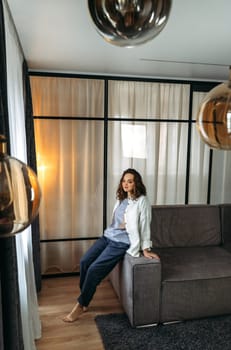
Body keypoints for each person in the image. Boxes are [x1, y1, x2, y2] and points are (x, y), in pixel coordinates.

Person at [63, 168, 159, 323]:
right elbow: (115, 222)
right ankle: (85, 296)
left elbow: (145, 224)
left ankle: (81, 305)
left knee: (95, 270)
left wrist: (146, 248)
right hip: (107, 237)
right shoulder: (121, 199)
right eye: (124, 181)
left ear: (136, 183)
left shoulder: (142, 201)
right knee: (84, 262)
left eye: (130, 181)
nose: (126, 184)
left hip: (121, 243)